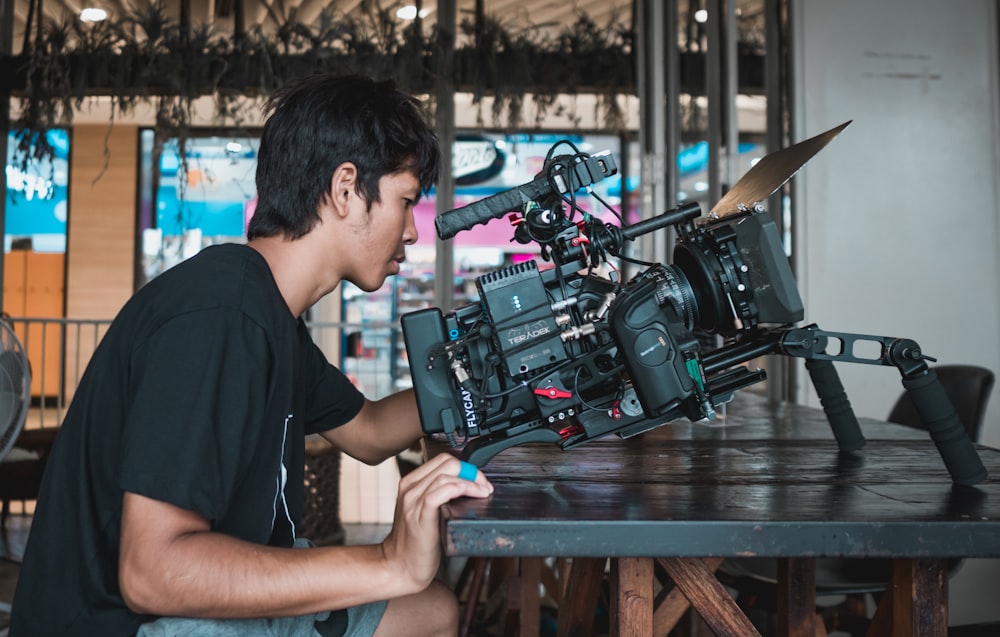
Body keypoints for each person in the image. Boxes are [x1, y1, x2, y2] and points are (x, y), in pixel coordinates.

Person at [10, 73, 493, 637]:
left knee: (431, 612)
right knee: (404, 587)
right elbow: (153, 571)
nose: (411, 232)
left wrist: (483, 371)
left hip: (190, 602)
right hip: (132, 622)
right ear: (345, 189)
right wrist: (386, 561)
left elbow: (369, 430)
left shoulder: (269, 314)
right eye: (405, 200)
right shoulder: (220, 314)